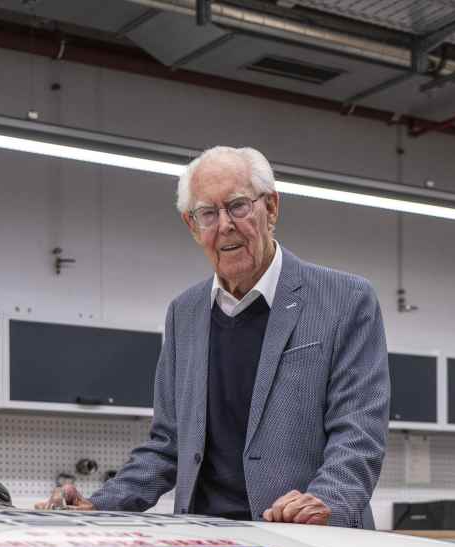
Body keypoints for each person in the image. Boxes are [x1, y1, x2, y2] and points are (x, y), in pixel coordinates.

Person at [36, 146, 389, 527]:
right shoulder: (184, 313)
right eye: (208, 213)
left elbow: (358, 433)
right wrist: (100, 505)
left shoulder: (346, 300)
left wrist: (326, 501)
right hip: (207, 543)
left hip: (306, 541)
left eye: (238, 206)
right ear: (193, 226)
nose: (225, 225)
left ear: (271, 208)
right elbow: (167, 445)